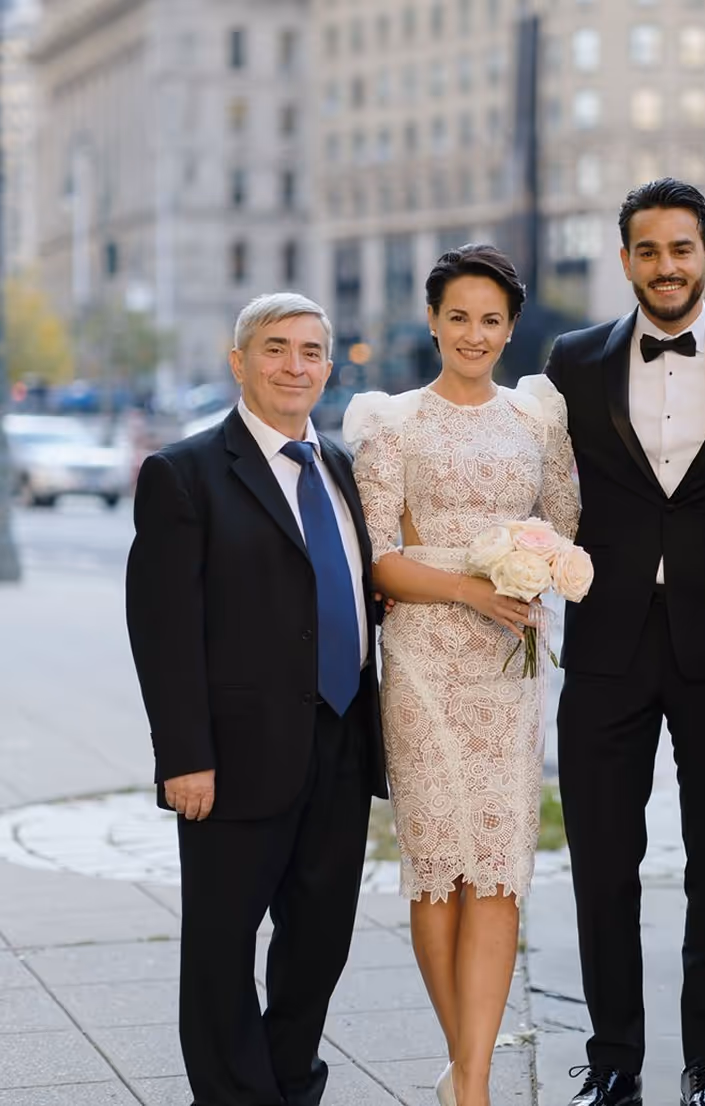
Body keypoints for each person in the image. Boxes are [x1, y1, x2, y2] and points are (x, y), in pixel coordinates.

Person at [544, 179, 705, 1106]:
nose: (665, 267)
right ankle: (613, 1065)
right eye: (647, 251)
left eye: (680, 249)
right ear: (624, 262)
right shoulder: (570, 362)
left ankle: (704, 1072)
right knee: (601, 868)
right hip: (605, 652)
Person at [125, 292, 388, 1106]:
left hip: (340, 747)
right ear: (238, 362)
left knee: (317, 945)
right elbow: (162, 631)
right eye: (275, 348)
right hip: (234, 758)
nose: (295, 366)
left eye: (311, 350)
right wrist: (185, 757)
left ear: (328, 364)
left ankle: (288, 1084)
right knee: (220, 949)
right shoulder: (184, 474)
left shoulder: (341, 467)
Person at [343, 244, 579, 1106]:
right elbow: (378, 558)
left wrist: (533, 567)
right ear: (433, 321)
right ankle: (472, 1079)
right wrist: (468, 590)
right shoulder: (390, 422)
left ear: (510, 328)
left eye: (490, 320)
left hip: (508, 668)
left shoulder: (534, 422)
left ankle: (466, 1080)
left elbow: (564, 525)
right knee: (440, 867)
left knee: (501, 866)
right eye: (457, 318)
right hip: (423, 661)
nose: (473, 335)